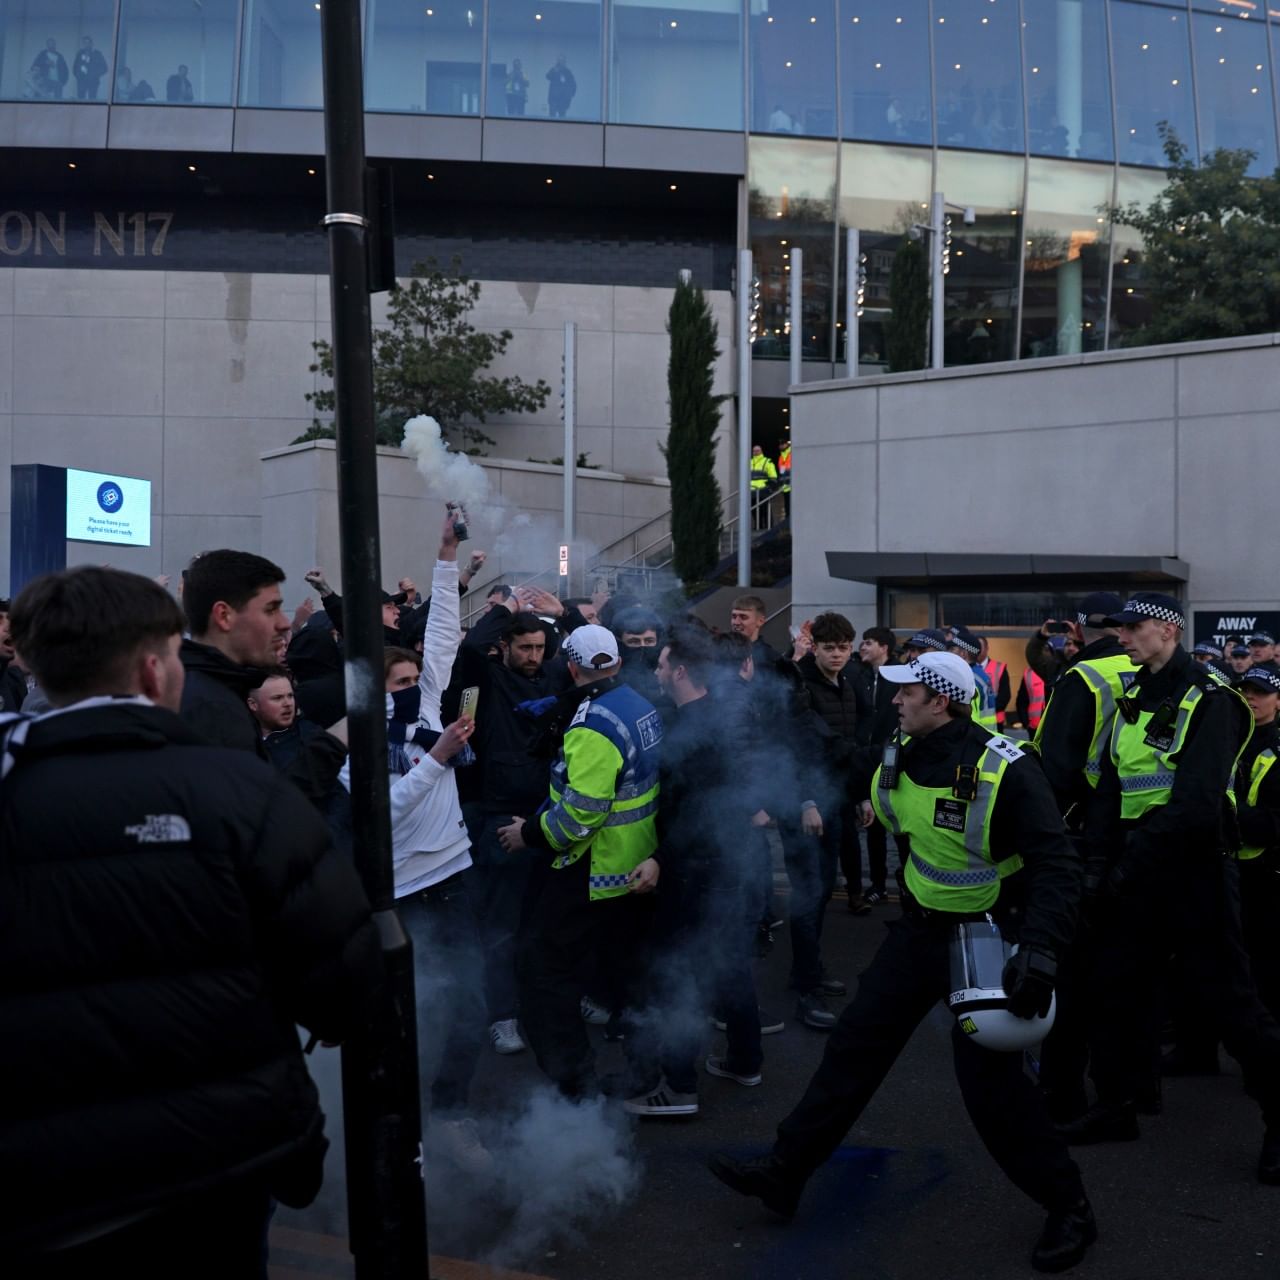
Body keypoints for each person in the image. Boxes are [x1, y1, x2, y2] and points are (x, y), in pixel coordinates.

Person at [0, 567, 382, 1272]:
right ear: (152, 669)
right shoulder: (238, 792)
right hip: (213, 1167)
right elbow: (345, 979)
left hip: (35, 1186)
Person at [708, 651, 1095, 1274]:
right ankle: (784, 1174)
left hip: (986, 937)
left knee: (991, 1090)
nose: (893, 701)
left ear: (939, 700)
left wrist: (1042, 950)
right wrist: (790, 703)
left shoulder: (1009, 769)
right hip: (918, 932)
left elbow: (1057, 866)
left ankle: (1070, 1206)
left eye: (904, 692)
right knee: (853, 1050)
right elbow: (848, 760)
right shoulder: (901, 747)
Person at [1059, 593, 1280, 1186]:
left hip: (1194, 867)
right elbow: (1110, 784)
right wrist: (1097, 861)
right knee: (1115, 991)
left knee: (1231, 1002)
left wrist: (1127, 865)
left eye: (1131, 628)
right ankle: (1117, 1106)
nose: (1121, 637)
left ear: (1165, 630)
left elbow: (1196, 803)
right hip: (1136, 866)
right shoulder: (1133, 696)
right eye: (1119, 628)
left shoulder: (1214, 699)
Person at [497, 624, 663, 1099]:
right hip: (635, 865)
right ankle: (645, 1073)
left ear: (570, 666)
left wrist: (526, 833)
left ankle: (575, 1086)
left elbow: (579, 818)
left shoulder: (593, 726)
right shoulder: (636, 702)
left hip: (592, 869)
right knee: (629, 976)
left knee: (543, 973)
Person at [623, 625, 764, 1116]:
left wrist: (660, 860)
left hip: (696, 872)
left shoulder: (692, 733)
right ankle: (746, 1061)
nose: (657, 671)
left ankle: (677, 1087)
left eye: (661, 664)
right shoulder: (719, 718)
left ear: (680, 671)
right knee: (729, 964)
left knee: (676, 975)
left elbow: (696, 814)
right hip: (730, 864)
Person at [1027, 592, 1136, 1122]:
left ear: (1080, 628)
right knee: (1128, 971)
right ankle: (1135, 1090)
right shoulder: (1147, 670)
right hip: (1139, 832)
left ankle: (1061, 1090)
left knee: (1072, 970)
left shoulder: (1084, 678)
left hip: (1082, 832)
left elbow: (1058, 767)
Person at [452, 597, 569, 1055]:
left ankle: (536, 1005)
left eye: (540, 647)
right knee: (500, 925)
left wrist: (563, 614)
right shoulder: (492, 679)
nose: (533, 656)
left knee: (543, 922)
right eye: (524, 647)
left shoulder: (554, 679)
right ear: (507, 648)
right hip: (500, 818)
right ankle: (502, 1015)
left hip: (547, 817)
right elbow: (472, 648)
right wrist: (507, 605)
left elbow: (584, 654)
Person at [180, 549, 293, 757]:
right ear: (224, 616)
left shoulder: (217, 694)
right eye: (270, 610)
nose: (284, 624)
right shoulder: (210, 710)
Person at [852, 625, 898, 904]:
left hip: (894, 758)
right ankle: (878, 884)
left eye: (868, 643)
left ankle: (908, 885)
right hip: (869, 760)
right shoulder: (861, 676)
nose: (863, 647)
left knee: (903, 830)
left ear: (884, 647)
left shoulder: (898, 676)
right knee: (874, 828)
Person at [947, 625, 996, 729]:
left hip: (975, 736)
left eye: (952, 649)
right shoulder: (979, 675)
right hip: (984, 736)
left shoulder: (968, 679)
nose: (948, 653)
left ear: (963, 654)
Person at [978, 636, 1011, 728]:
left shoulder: (999, 668)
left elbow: (1005, 696)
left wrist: (986, 709)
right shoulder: (969, 668)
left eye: (980, 647)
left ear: (987, 648)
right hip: (974, 722)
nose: (977, 651)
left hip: (996, 721)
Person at [749, 445, 778, 529]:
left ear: (761, 451)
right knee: (754, 511)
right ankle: (758, 527)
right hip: (752, 491)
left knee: (765, 510)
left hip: (763, 491)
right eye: (754, 451)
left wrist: (770, 487)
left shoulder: (767, 461)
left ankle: (769, 528)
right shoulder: (749, 462)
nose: (756, 452)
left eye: (758, 450)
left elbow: (773, 476)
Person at [73, 36, 107, 100]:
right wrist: (78, 76)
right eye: (85, 43)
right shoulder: (79, 53)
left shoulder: (97, 54)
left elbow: (104, 68)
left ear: (92, 44)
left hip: (93, 81)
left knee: (92, 100)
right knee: (80, 99)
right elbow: (75, 67)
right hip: (81, 81)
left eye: (88, 42)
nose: (87, 44)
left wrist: (94, 74)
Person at [777, 438, 792, 519]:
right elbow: (781, 471)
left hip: (793, 485)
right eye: (780, 444)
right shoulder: (781, 457)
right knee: (787, 505)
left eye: (783, 444)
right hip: (785, 486)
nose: (781, 446)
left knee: (792, 505)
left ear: (787, 444)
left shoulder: (792, 453)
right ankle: (787, 520)